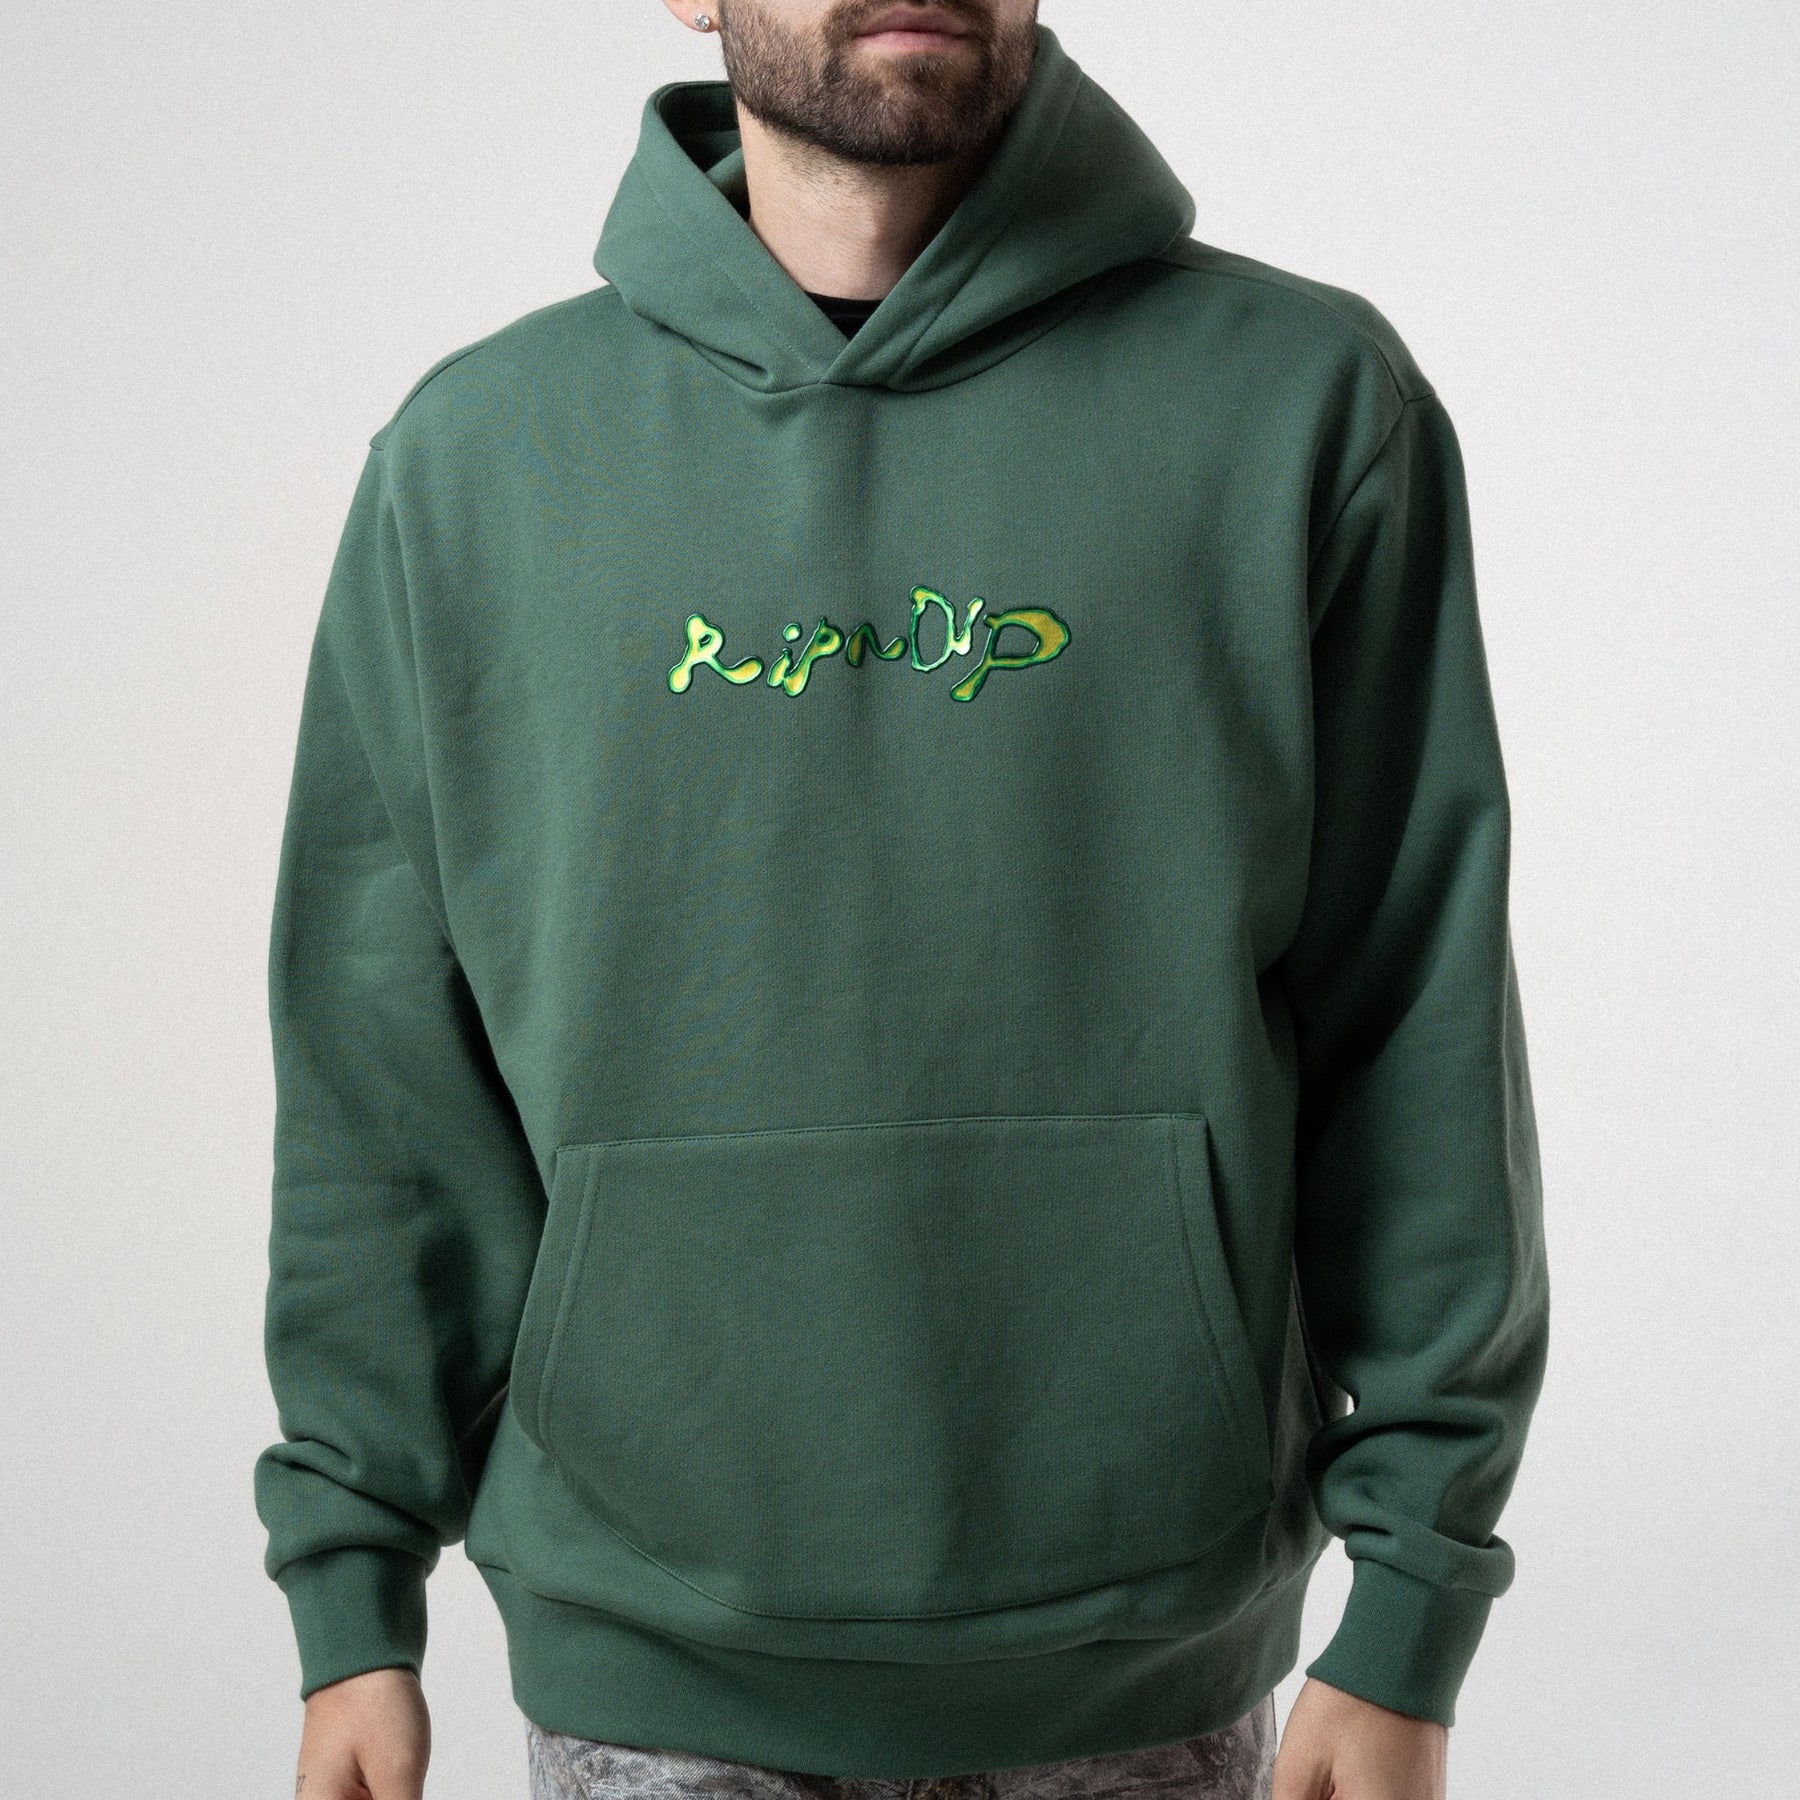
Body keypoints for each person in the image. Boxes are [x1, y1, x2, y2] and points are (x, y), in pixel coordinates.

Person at [254, 4, 1551, 1798]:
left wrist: (1413, 1602)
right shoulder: (477, 461)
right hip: (648, 1656)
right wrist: (351, 1586)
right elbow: (382, 1074)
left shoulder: (1303, 404)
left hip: (1136, 1663)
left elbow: (1416, 1011)